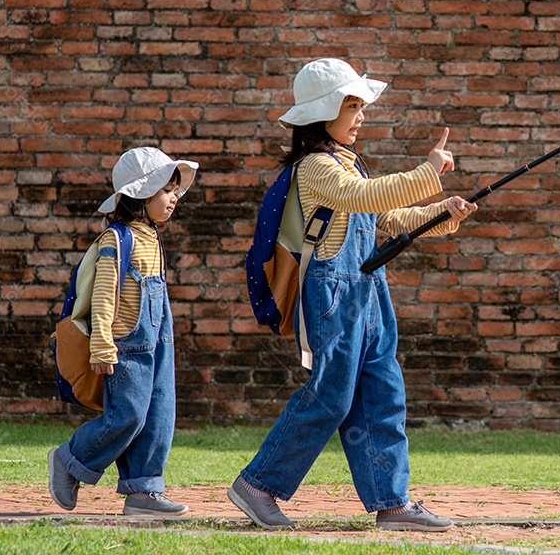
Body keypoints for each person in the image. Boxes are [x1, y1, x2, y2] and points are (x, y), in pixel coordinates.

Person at [228, 58, 477, 531]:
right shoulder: (316, 169)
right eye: (352, 106)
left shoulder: (350, 163)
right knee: (332, 397)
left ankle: (392, 501)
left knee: (384, 392)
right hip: (333, 293)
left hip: (369, 291)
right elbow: (363, 198)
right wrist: (427, 171)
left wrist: (443, 212)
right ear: (324, 113)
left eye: (362, 106)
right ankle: (258, 485)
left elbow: (390, 220)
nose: (361, 116)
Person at [48, 147, 199, 517]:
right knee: (127, 415)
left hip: (158, 341)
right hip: (127, 345)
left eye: (175, 190)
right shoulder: (117, 240)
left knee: (160, 413)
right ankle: (71, 459)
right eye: (167, 190)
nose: (174, 197)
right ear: (139, 194)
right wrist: (102, 344)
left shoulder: (152, 237)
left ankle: (143, 491)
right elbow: (103, 296)